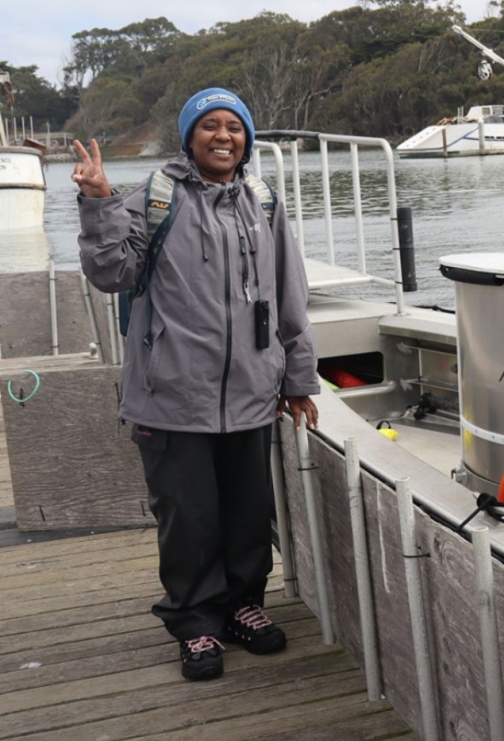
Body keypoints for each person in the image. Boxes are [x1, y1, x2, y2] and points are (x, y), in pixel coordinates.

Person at [73, 88, 320, 681]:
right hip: (171, 395)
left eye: (233, 127)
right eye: (209, 126)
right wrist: (100, 201)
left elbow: (290, 295)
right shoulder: (155, 197)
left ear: (247, 140)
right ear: (189, 137)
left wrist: (299, 378)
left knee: (247, 513)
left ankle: (242, 606)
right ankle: (195, 625)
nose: (222, 137)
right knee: (188, 517)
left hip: (251, 395)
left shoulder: (262, 202)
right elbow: (112, 273)